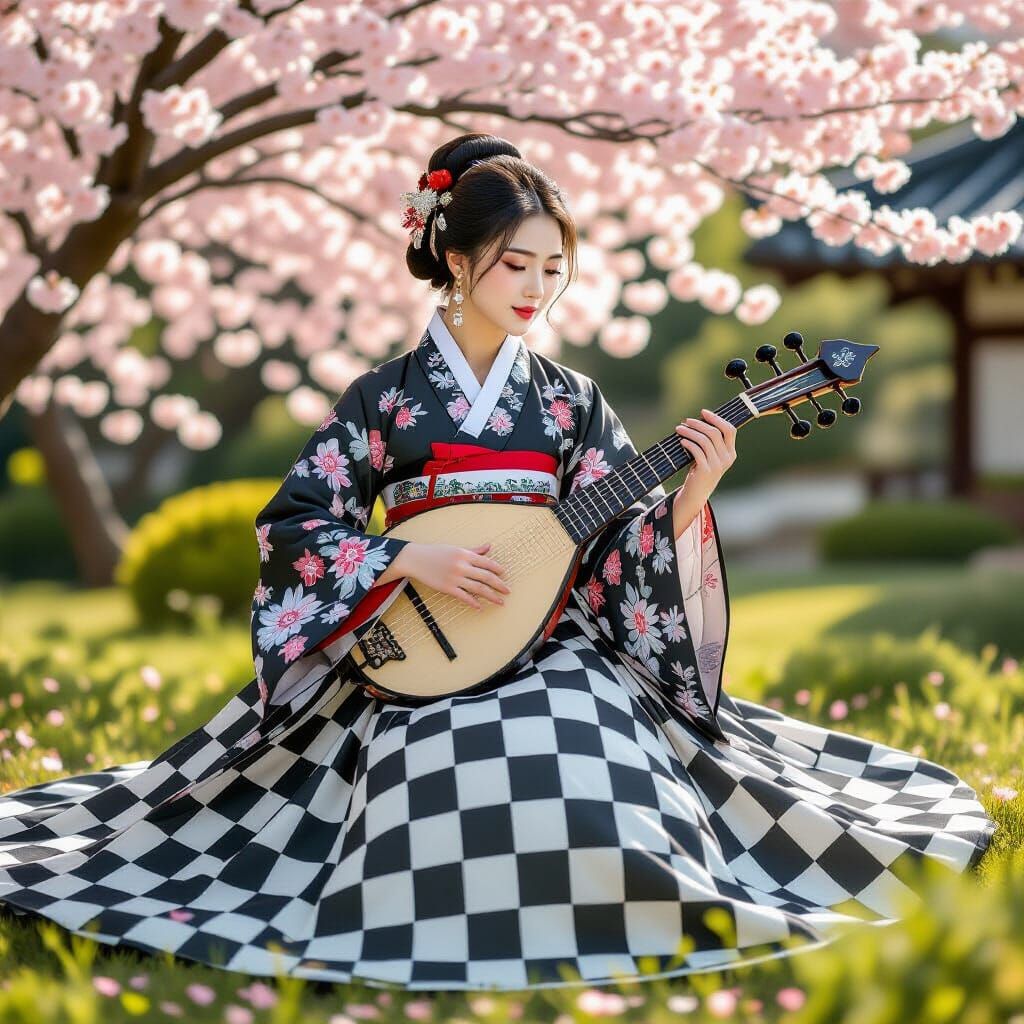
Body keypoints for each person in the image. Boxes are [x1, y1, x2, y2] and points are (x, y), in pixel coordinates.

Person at [0, 133, 997, 993]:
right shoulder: (384, 398)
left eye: (553, 268)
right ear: (458, 258)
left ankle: (633, 912)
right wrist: (404, 553)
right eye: (517, 264)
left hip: (552, 642)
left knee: (582, 760)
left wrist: (689, 496)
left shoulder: (569, 401)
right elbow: (296, 528)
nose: (537, 289)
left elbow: (613, 556)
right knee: (434, 782)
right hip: (403, 650)